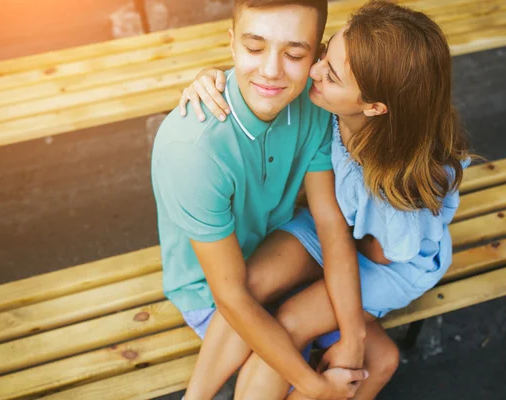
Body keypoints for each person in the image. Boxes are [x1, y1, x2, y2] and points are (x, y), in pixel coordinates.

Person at [177, 1, 472, 399]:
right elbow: (264, 69)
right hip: (333, 220)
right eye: (325, 52)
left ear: (373, 106)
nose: (313, 70)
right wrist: (209, 78)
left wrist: (334, 294)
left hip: (386, 259)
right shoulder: (332, 102)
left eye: (330, 75)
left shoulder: (399, 190)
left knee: (290, 321)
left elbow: (375, 251)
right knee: (249, 286)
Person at [151, 1, 372, 399]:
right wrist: (315, 385)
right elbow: (232, 296)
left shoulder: (314, 100)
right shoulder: (193, 149)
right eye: (255, 48)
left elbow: (329, 222)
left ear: (317, 55)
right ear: (231, 43)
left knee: (374, 361)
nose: (271, 70)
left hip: (280, 253)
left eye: (294, 54)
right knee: (294, 378)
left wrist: (352, 344)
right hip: (213, 292)